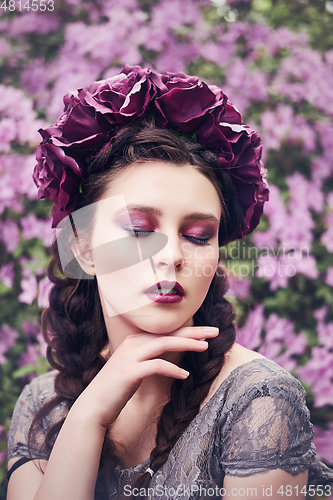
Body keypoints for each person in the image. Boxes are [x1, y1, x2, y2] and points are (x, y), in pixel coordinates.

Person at [6, 65, 333, 500]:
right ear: (83, 247)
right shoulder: (42, 404)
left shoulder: (257, 401)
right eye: (140, 229)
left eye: (198, 236)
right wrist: (87, 419)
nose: (173, 255)